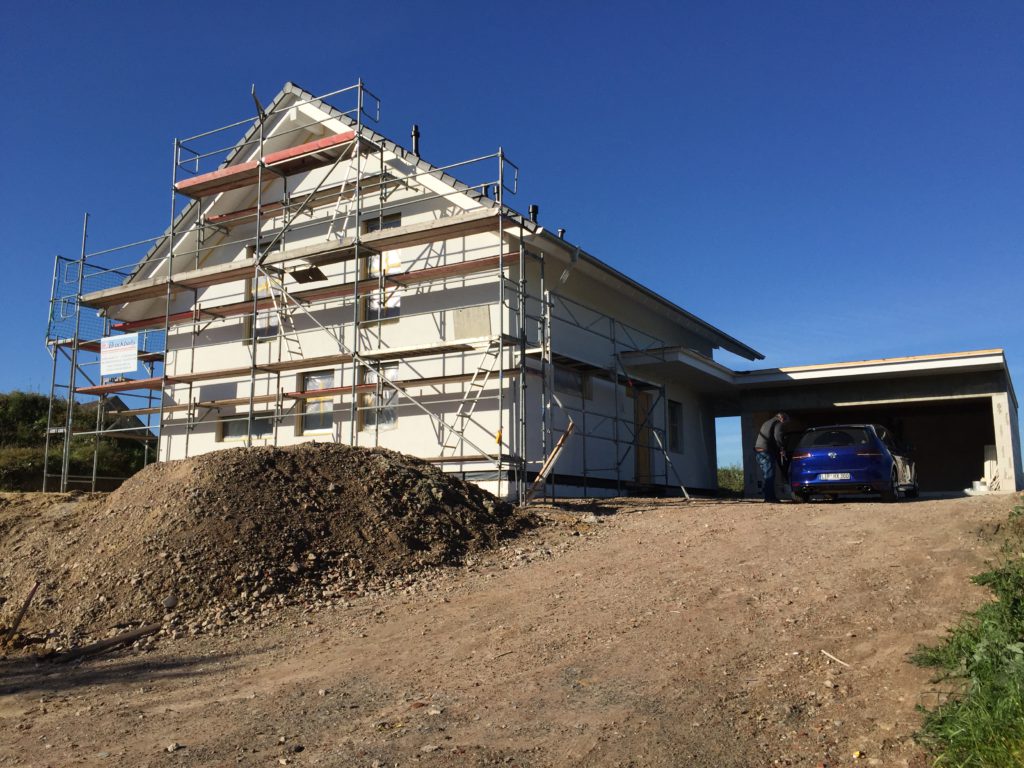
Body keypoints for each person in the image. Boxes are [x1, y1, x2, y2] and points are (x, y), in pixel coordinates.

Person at [754, 412, 790, 503]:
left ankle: (768, 497)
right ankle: (770, 498)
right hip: (766, 452)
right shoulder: (777, 423)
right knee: (770, 476)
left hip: (759, 452)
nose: (784, 424)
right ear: (782, 418)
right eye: (785, 422)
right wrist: (782, 448)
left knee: (767, 476)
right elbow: (778, 436)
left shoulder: (767, 422)